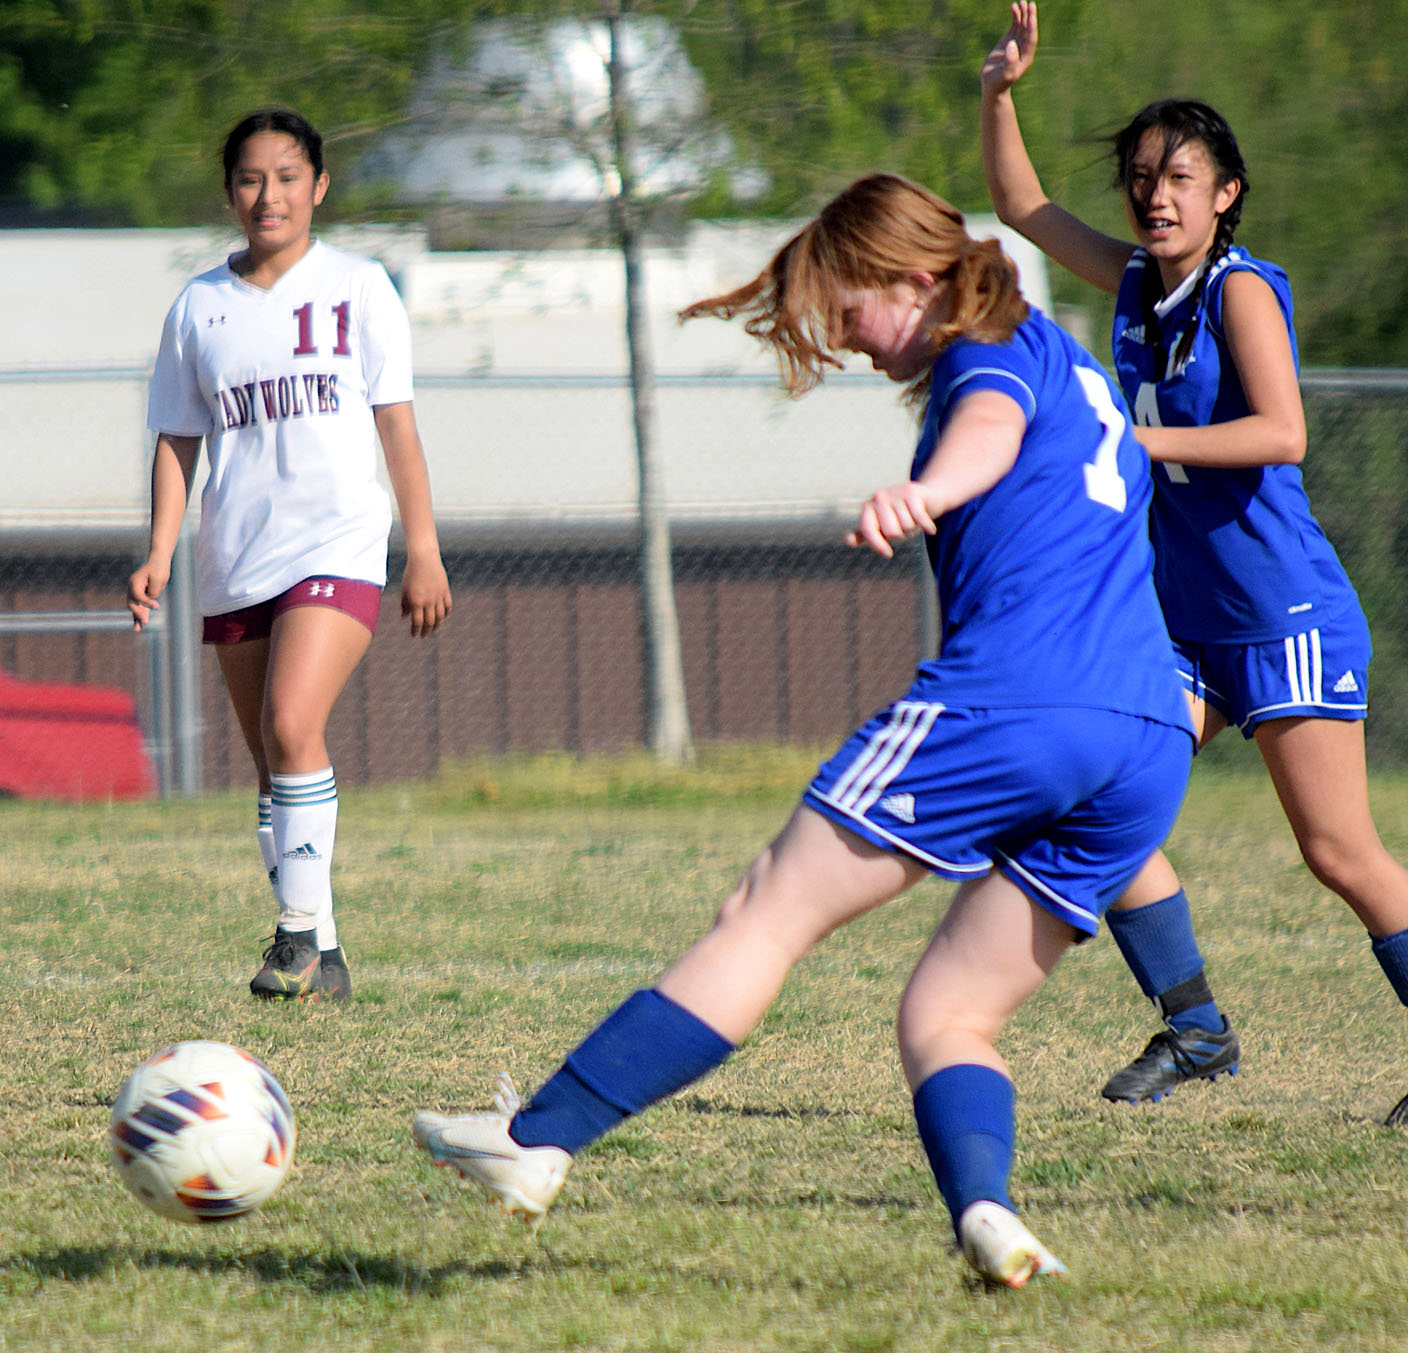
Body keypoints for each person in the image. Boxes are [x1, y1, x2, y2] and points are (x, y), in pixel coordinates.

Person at [411, 172, 1194, 1287]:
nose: (846, 342)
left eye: (851, 309)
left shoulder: (984, 357)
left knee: (762, 914)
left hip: (1013, 701)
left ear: (916, 279)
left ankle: (538, 1140)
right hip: (1145, 738)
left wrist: (926, 494)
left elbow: (985, 429)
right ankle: (988, 1216)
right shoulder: (1059, 353)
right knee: (948, 1013)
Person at [981, 1, 1408, 1119]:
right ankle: (1197, 1029)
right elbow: (1020, 205)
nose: (1154, 192)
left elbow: (1283, 435)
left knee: (1340, 857)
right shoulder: (1132, 280)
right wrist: (999, 93)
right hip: (1183, 623)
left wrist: (1131, 439)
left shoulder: (1240, 289)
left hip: (1285, 617)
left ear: (1224, 194)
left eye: (1180, 175)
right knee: (1093, 800)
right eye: (1140, 174)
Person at [127, 107, 452, 1002]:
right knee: (274, 766)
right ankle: (330, 956)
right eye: (248, 178)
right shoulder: (199, 307)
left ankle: (296, 936)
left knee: (291, 723)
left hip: (339, 543)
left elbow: (398, 425)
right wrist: (161, 551)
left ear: (319, 186)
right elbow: (176, 439)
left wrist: (421, 549)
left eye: (285, 176)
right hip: (236, 551)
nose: (267, 194)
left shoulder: (358, 287)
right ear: (229, 191)